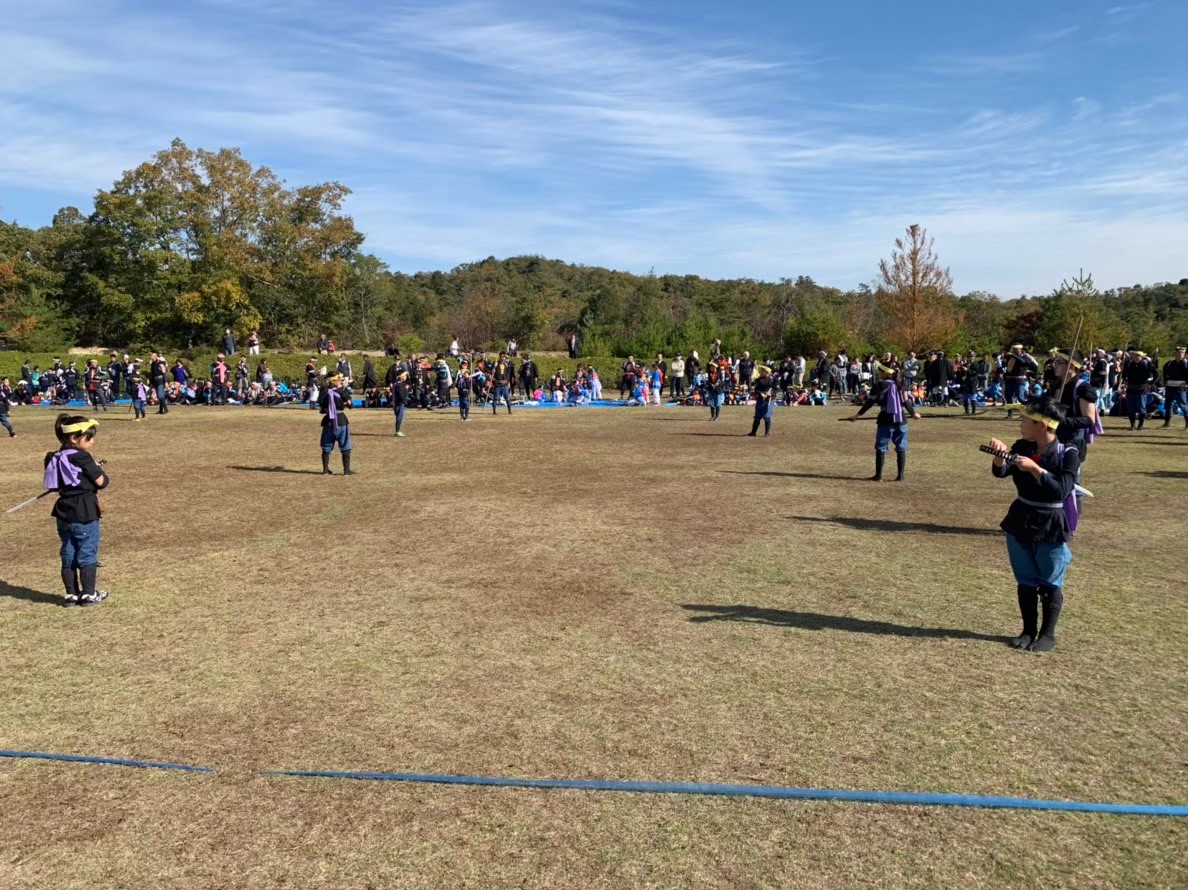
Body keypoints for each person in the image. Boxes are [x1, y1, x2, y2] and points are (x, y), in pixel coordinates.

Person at [988, 396, 1079, 653]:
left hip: (1051, 523)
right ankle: (1028, 631)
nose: (1021, 424)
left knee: (1050, 580)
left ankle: (1047, 634)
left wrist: (1035, 469)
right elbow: (1001, 472)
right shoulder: (1022, 446)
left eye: (1025, 420)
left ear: (1042, 425)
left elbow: (1061, 490)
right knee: (1025, 579)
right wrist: (999, 457)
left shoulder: (1069, 453)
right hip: (1020, 519)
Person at [45, 415, 110, 606]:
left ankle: (71, 594)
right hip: (84, 511)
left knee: (68, 551)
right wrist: (95, 469)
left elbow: (55, 485)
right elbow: (102, 482)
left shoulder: (54, 456)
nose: (92, 441)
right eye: (89, 438)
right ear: (74, 438)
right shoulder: (82, 457)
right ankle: (89, 594)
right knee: (87, 551)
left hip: (63, 511)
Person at [848, 362, 920, 481]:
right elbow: (906, 401)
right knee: (901, 447)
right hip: (901, 419)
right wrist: (913, 414)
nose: (878, 373)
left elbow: (870, 402)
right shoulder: (901, 383)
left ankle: (879, 476)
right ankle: (900, 476)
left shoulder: (879, 385)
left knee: (881, 447)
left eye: (880, 371)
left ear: (885, 372)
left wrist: (857, 415)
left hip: (885, 419)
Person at [318, 373, 356, 475]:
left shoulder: (324, 393)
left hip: (328, 422)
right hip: (341, 420)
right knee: (345, 445)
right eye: (339, 380)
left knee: (326, 446)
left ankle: (325, 470)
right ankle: (346, 470)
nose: (341, 382)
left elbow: (322, 410)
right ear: (335, 381)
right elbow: (350, 405)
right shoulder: (342, 392)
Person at [1122, 350, 1155, 430]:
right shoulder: (1129, 364)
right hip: (1131, 388)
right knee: (1131, 408)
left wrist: (1150, 383)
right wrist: (1125, 379)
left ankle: (1140, 425)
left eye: (1138, 356)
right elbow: (1124, 373)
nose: (1136, 357)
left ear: (1141, 357)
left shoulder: (1146, 364)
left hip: (1142, 388)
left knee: (1141, 408)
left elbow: (1155, 374)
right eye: (1134, 356)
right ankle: (1132, 425)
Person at [1162, 346, 1188, 428]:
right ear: (1175, 353)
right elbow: (1165, 373)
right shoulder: (1170, 363)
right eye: (1178, 352)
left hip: (1181, 388)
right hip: (1170, 387)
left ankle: (1187, 424)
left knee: (1183, 406)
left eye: (1182, 352)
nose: (1180, 354)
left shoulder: (1186, 363)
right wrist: (1165, 382)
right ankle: (1167, 423)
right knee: (1168, 406)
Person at [747, 365, 775, 437]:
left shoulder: (772, 380)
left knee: (767, 416)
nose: (761, 372)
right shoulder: (759, 379)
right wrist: (760, 393)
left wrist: (770, 394)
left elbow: (776, 390)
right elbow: (755, 389)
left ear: (767, 372)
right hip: (760, 399)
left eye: (763, 371)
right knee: (757, 416)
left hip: (769, 400)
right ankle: (753, 432)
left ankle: (767, 433)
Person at [389, 369, 409, 437]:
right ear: (401, 376)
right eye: (405, 375)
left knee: (398, 417)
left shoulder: (396, 384)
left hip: (396, 403)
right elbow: (401, 395)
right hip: (399, 403)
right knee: (399, 417)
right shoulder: (400, 385)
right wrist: (406, 390)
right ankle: (398, 431)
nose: (406, 377)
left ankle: (397, 431)